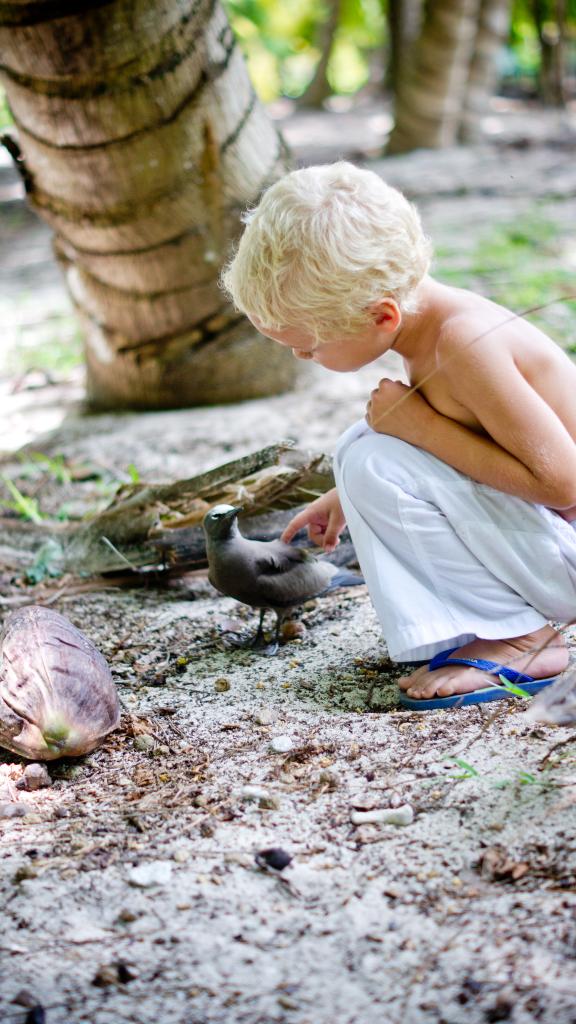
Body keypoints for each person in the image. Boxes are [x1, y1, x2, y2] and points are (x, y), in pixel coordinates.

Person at [221, 161, 576, 709]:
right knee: (361, 448)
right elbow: (475, 447)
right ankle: (487, 624)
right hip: (552, 548)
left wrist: (422, 429)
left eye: (307, 347)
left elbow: (563, 484)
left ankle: (526, 639)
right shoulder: (435, 332)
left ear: (381, 316)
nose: (300, 356)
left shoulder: (465, 342)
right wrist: (347, 496)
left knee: (374, 455)